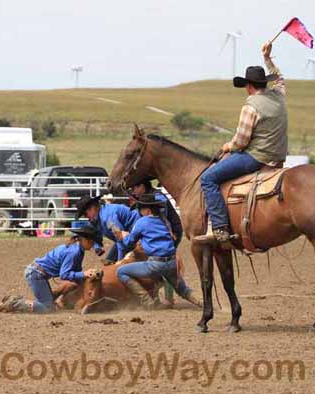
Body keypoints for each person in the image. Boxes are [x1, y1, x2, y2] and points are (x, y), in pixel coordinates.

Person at [196, 42, 287, 243]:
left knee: (208, 178)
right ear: (265, 83)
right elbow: (280, 79)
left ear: (249, 86)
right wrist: (268, 58)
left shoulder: (250, 106)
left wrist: (227, 146)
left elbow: (241, 142)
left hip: (256, 157)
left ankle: (219, 228)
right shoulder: (279, 96)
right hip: (278, 156)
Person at [116, 193, 201, 308]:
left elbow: (128, 243)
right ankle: (201, 303)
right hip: (171, 263)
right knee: (182, 288)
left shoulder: (142, 222)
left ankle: (147, 301)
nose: (139, 212)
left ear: (147, 210)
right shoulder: (164, 221)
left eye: (140, 209)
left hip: (155, 265)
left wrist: (123, 236)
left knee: (121, 272)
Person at [0, 225, 102, 313]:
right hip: (36, 274)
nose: (92, 244)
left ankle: (15, 300)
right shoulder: (73, 252)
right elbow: (64, 274)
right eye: (91, 241)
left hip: (37, 272)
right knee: (47, 308)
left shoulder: (76, 249)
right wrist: (84, 274)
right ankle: (15, 303)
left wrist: (85, 275)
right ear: (84, 240)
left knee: (69, 286)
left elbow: (74, 273)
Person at [75, 194, 140, 264]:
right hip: (128, 235)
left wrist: (120, 261)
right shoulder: (98, 218)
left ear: (93, 207)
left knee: (119, 265)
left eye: (85, 214)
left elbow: (120, 238)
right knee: (109, 262)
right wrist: (97, 247)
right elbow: (94, 232)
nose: (86, 216)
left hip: (137, 232)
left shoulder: (107, 219)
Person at [128, 180, 182, 247]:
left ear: (142, 186)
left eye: (133, 189)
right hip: (163, 232)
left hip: (171, 232)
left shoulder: (157, 196)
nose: (133, 192)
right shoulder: (148, 196)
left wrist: (170, 232)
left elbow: (162, 217)